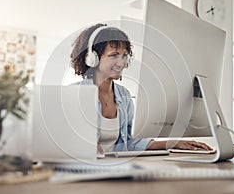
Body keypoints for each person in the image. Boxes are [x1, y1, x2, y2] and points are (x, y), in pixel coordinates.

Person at [70, 23, 212, 154]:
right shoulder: (74, 95)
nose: (121, 63)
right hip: (86, 169)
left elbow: (132, 142)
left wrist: (173, 143)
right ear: (92, 58)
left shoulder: (123, 96)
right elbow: (63, 141)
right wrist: (82, 145)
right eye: (114, 55)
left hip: (118, 167)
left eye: (124, 55)